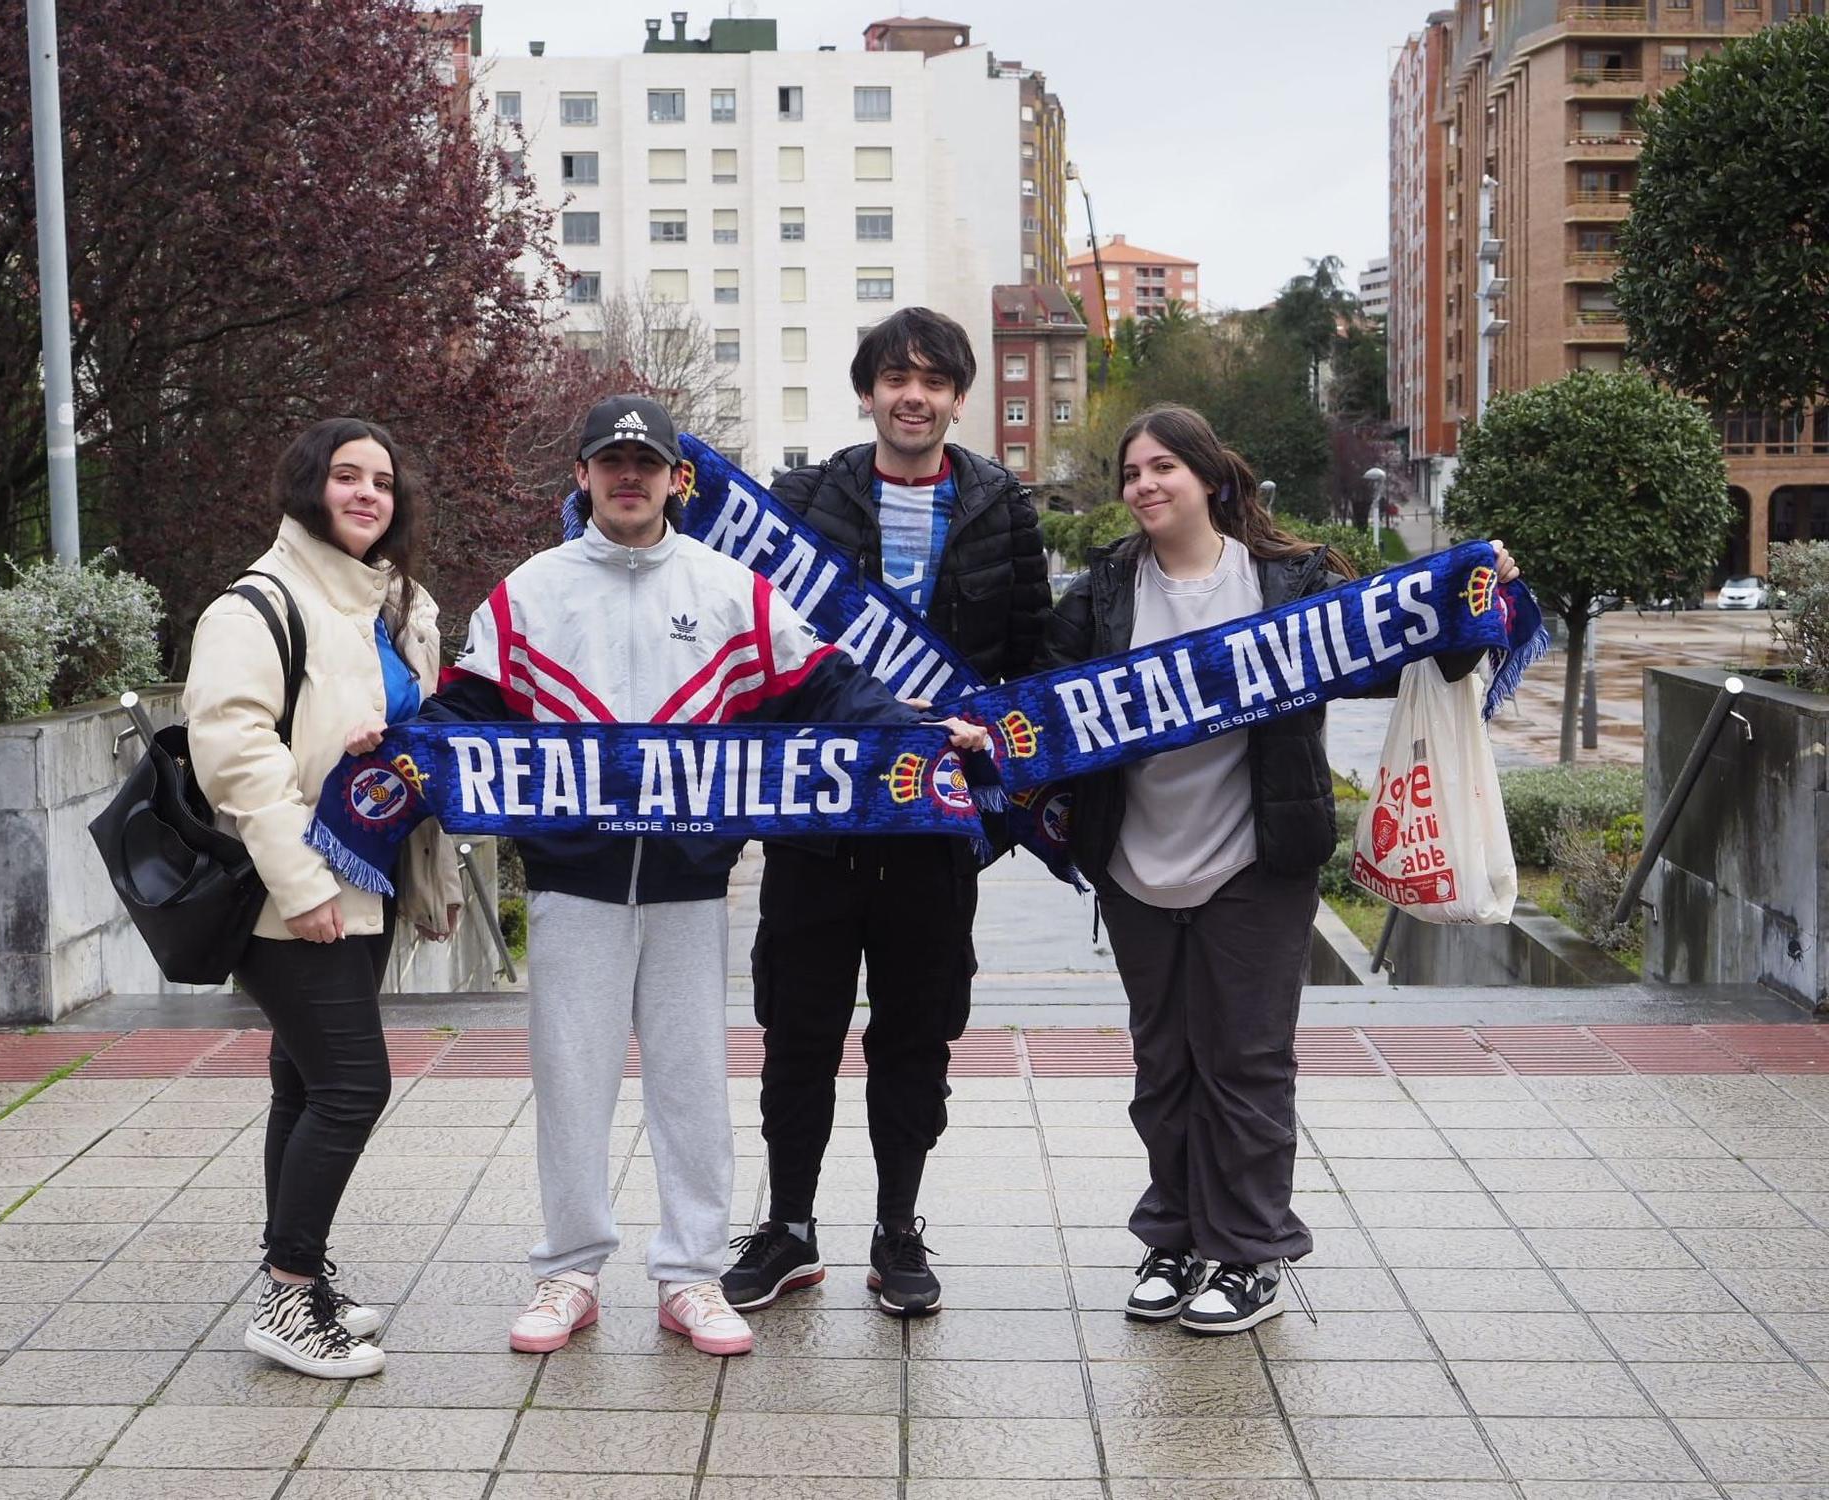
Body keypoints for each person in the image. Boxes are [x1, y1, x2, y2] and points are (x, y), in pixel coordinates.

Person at [403, 395, 991, 1357]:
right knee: (570, 1077)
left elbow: (828, 688)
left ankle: (691, 1276)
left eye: (646, 463)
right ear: (583, 477)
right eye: (609, 462)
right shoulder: (529, 593)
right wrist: (395, 748)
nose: (627, 477)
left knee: (691, 1083)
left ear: (680, 478)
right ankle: (569, 1272)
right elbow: (469, 706)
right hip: (572, 879)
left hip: (690, 879)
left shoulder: (734, 590)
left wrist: (925, 734)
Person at [1039, 404, 1519, 1334]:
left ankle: (1249, 1253)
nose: (1144, 485)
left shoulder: (1292, 581)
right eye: (1131, 471)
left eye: (1164, 467)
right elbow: (1040, 692)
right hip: (1135, 863)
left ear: (1211, 478)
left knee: (1246, 1061)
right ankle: (1173, 1238)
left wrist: (1474, 588)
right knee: (1164, 1064)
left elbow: (1410, 650)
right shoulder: (1103, 589)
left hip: (1256, 860)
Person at [724, 307, 1052, 1319]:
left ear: (958, 397)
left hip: (933, 830)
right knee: (797, 1031)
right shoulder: (800, 502)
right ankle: (786, 1228)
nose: (912, 395)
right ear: (865, 392)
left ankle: (897, 1229)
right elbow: (746, 642)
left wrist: (992, 736)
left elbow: (1035, 659)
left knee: (916, 1035)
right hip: (816, 824)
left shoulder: (1003, 507)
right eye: (893, 377)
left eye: (932, 380)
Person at [183, 418, 462, 1379]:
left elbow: (407, 750)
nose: (368, 495)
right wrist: (298, 884)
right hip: (292, 895)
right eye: (347, 477)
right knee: (354, 1085)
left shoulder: (387, 604)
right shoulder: (256, 605)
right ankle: (290, 1298)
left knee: (304, 1084)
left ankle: (298, 1274)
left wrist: (435, 877)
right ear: (308, 486)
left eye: (383, 481)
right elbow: (235, 754)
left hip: (365, 880)